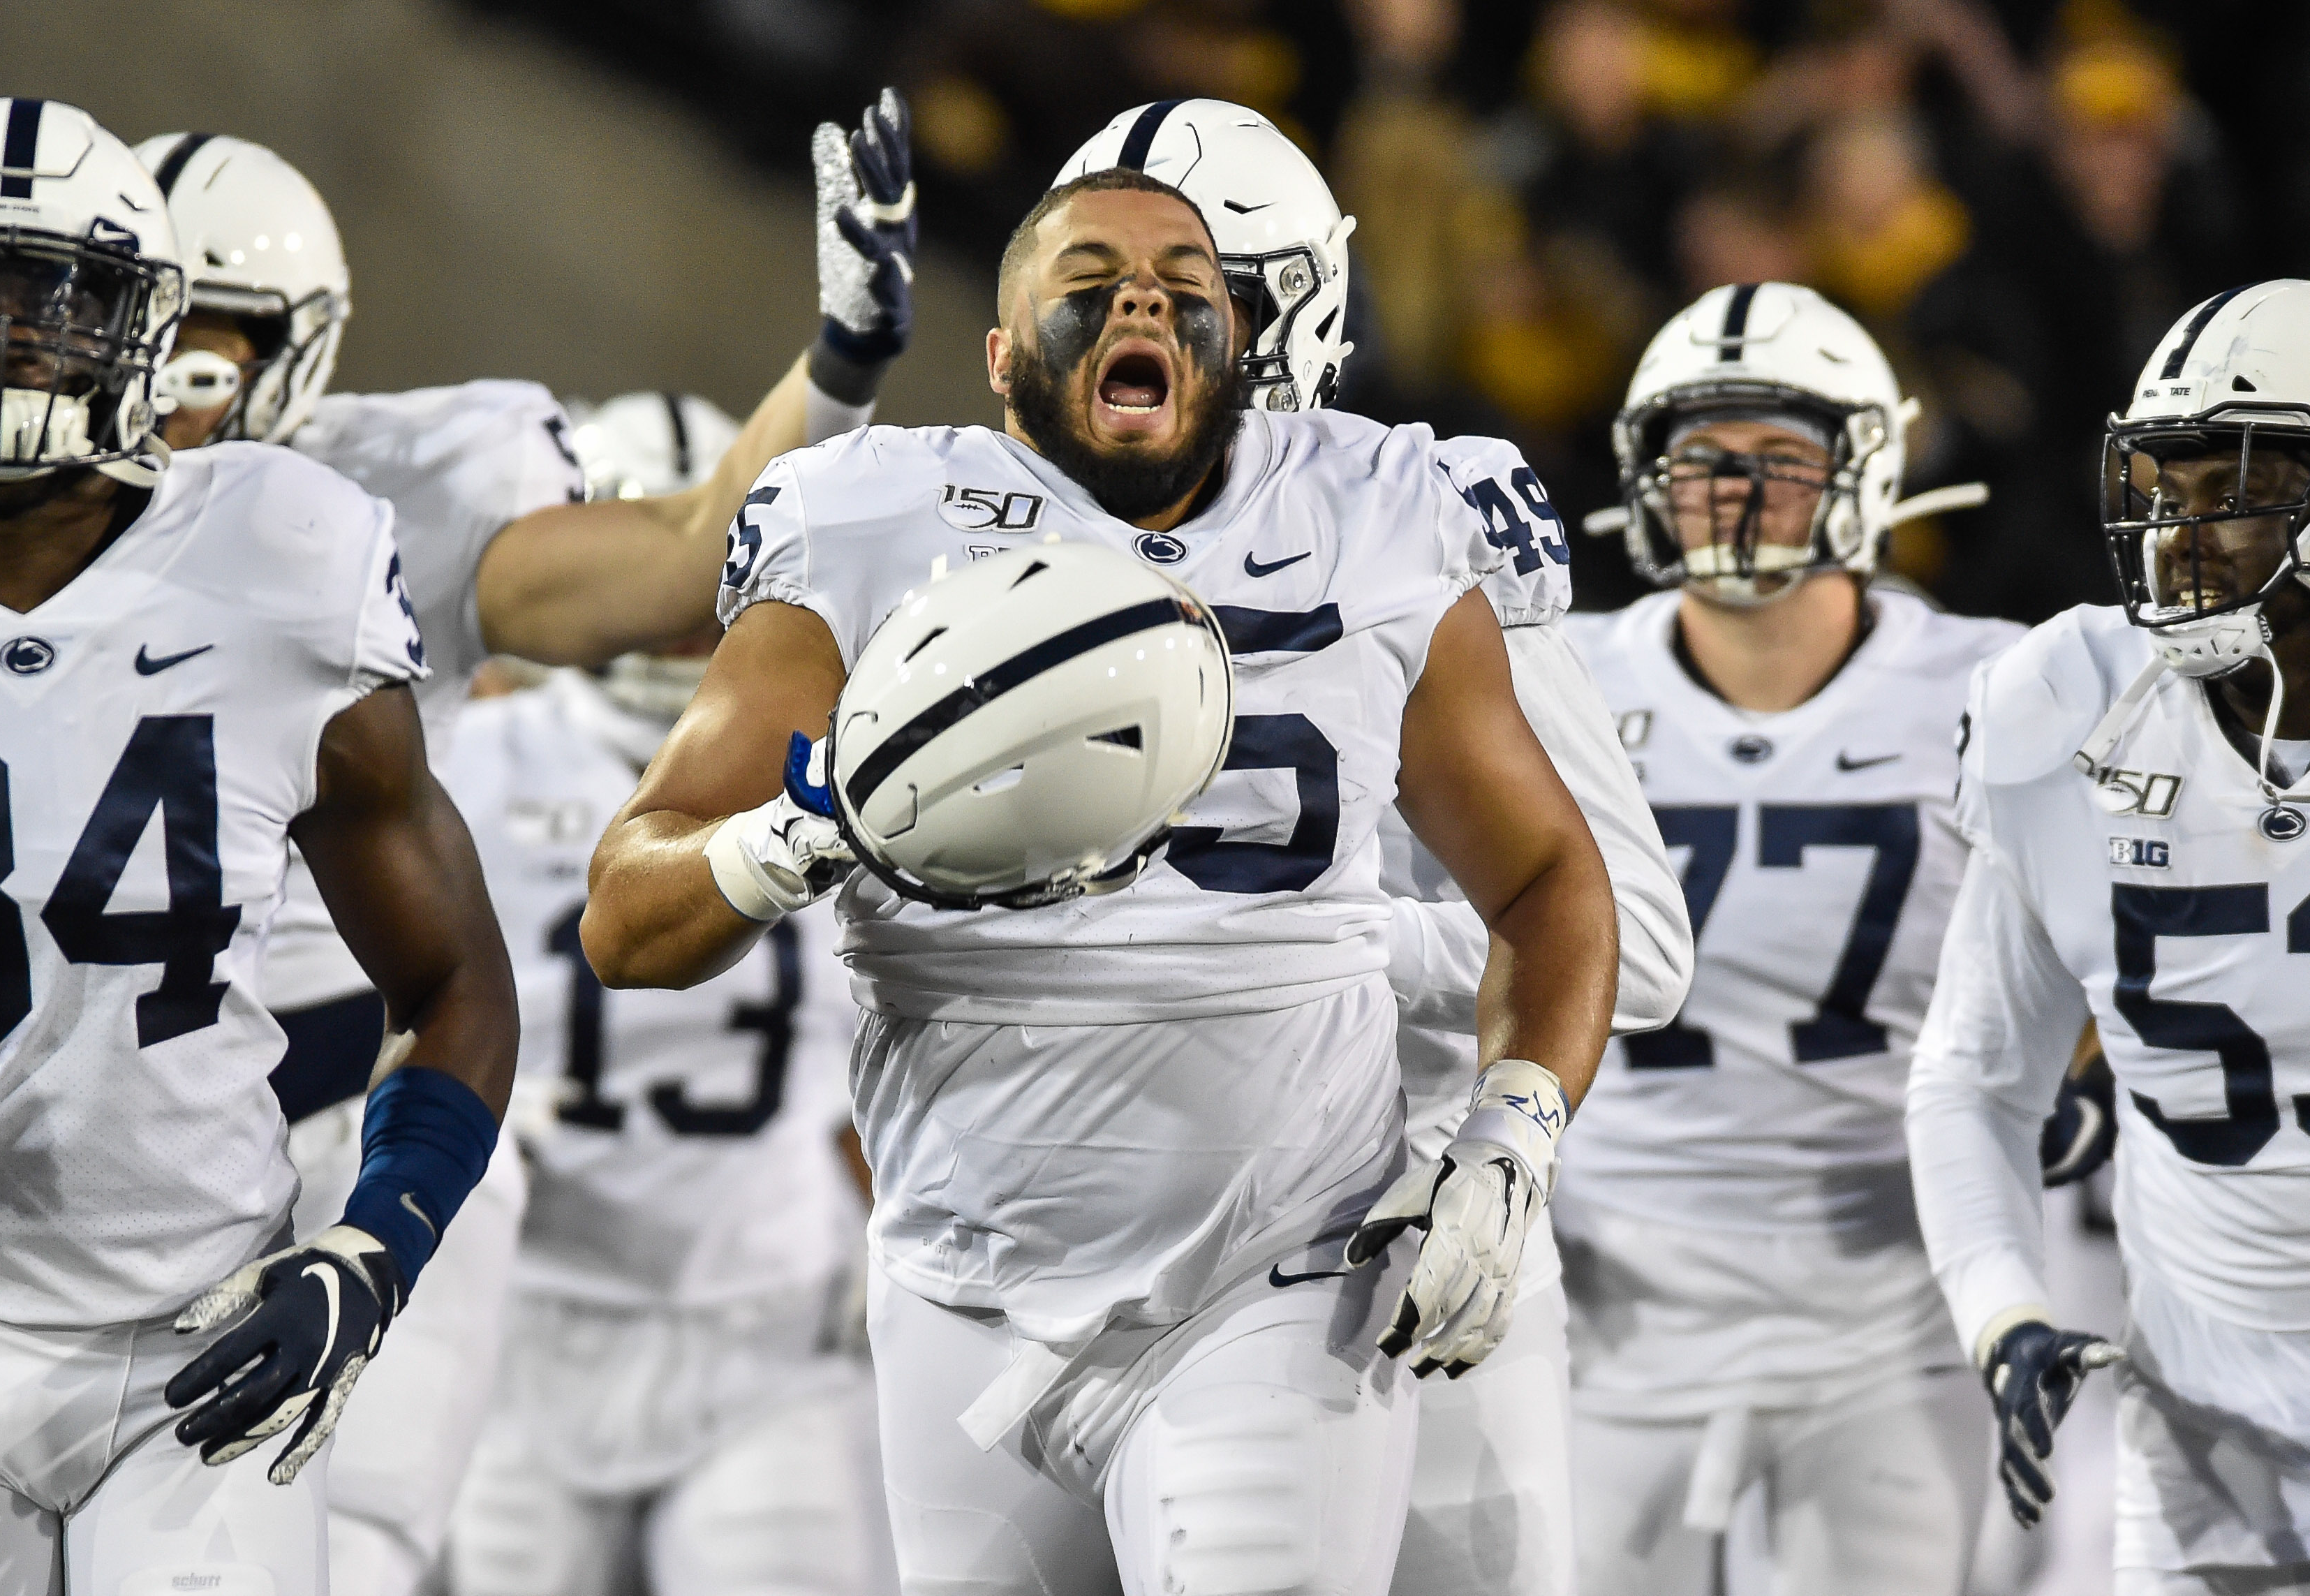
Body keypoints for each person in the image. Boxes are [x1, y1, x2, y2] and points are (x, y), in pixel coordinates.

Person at [580, 168, 1620, 1595]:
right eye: (1089, 280)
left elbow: (1551, 876)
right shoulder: (870, 517)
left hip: (1277, 1272)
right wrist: (800, 838)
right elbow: (627, 919)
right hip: (960, 1285)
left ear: (1235, 346)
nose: (1143, 297)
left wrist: (1512, 1137)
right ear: (1002, 355)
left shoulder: (1376, 512)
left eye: (1187, 283)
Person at [130, 91, 917, 1594]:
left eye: (207, 333)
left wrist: (840, 367)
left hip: (339, 1119)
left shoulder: (371, 505)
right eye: (121, 314)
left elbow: (683, 548)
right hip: (62, 1133)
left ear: (297, 347)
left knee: (340, 1557)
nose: (163, 375)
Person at [1053, 98, 1693, 1596]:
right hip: (1106, 1212)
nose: (1143, 336)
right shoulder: (1013, 533)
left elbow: (1638, 944)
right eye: (1096, 291)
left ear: (1293, 313)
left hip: (1402, 1217)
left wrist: (1335, 940)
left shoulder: (1414, 519)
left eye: (1198, 296)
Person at [0, 98, 514, 1593]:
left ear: (147, 332)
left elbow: (452, 978)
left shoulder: (279, 553)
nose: (10, 343)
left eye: (61, 304)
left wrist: (376, 1244)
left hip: (201, 1320)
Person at [1552, 281, 2022, 1595]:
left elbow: (2113, 929)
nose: (1737, 491)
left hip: (1888, 1307)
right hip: (1604, 1294)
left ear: (1862, 467)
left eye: (1781, 456)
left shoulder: (2001, 684)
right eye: (1703, 457)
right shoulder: (1550, 676)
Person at [443, 394, 884, 1595]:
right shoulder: (472, 761)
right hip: (524, 1318)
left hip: (767, 1324)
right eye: (667, 588)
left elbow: (892, 1050)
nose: (689, 626)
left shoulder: (848, 760)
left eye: (716, 592)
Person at [1909, 279, 2310, 1596]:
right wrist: (2003, 1313)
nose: (2175, 534)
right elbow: (1973, 1074)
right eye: (2161, 485)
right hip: (2208, 1423)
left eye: (2227, 492)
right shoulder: (2072, 702)